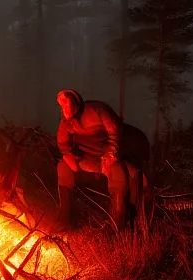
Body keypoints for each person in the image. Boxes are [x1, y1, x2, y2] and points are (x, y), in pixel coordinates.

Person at [55, 89, 148, 231]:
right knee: (63, 167)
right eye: (63, 106)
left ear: (75, 102)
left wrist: (109, 156)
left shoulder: (97, 110)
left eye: (68, 105)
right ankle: (64, 219)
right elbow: (63, 144)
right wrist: (69, 157)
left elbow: (115, 133)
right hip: (91, 157)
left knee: (119, 170)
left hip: (118, 152)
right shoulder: (66, 122)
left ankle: (118, 225)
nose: (65, 109)